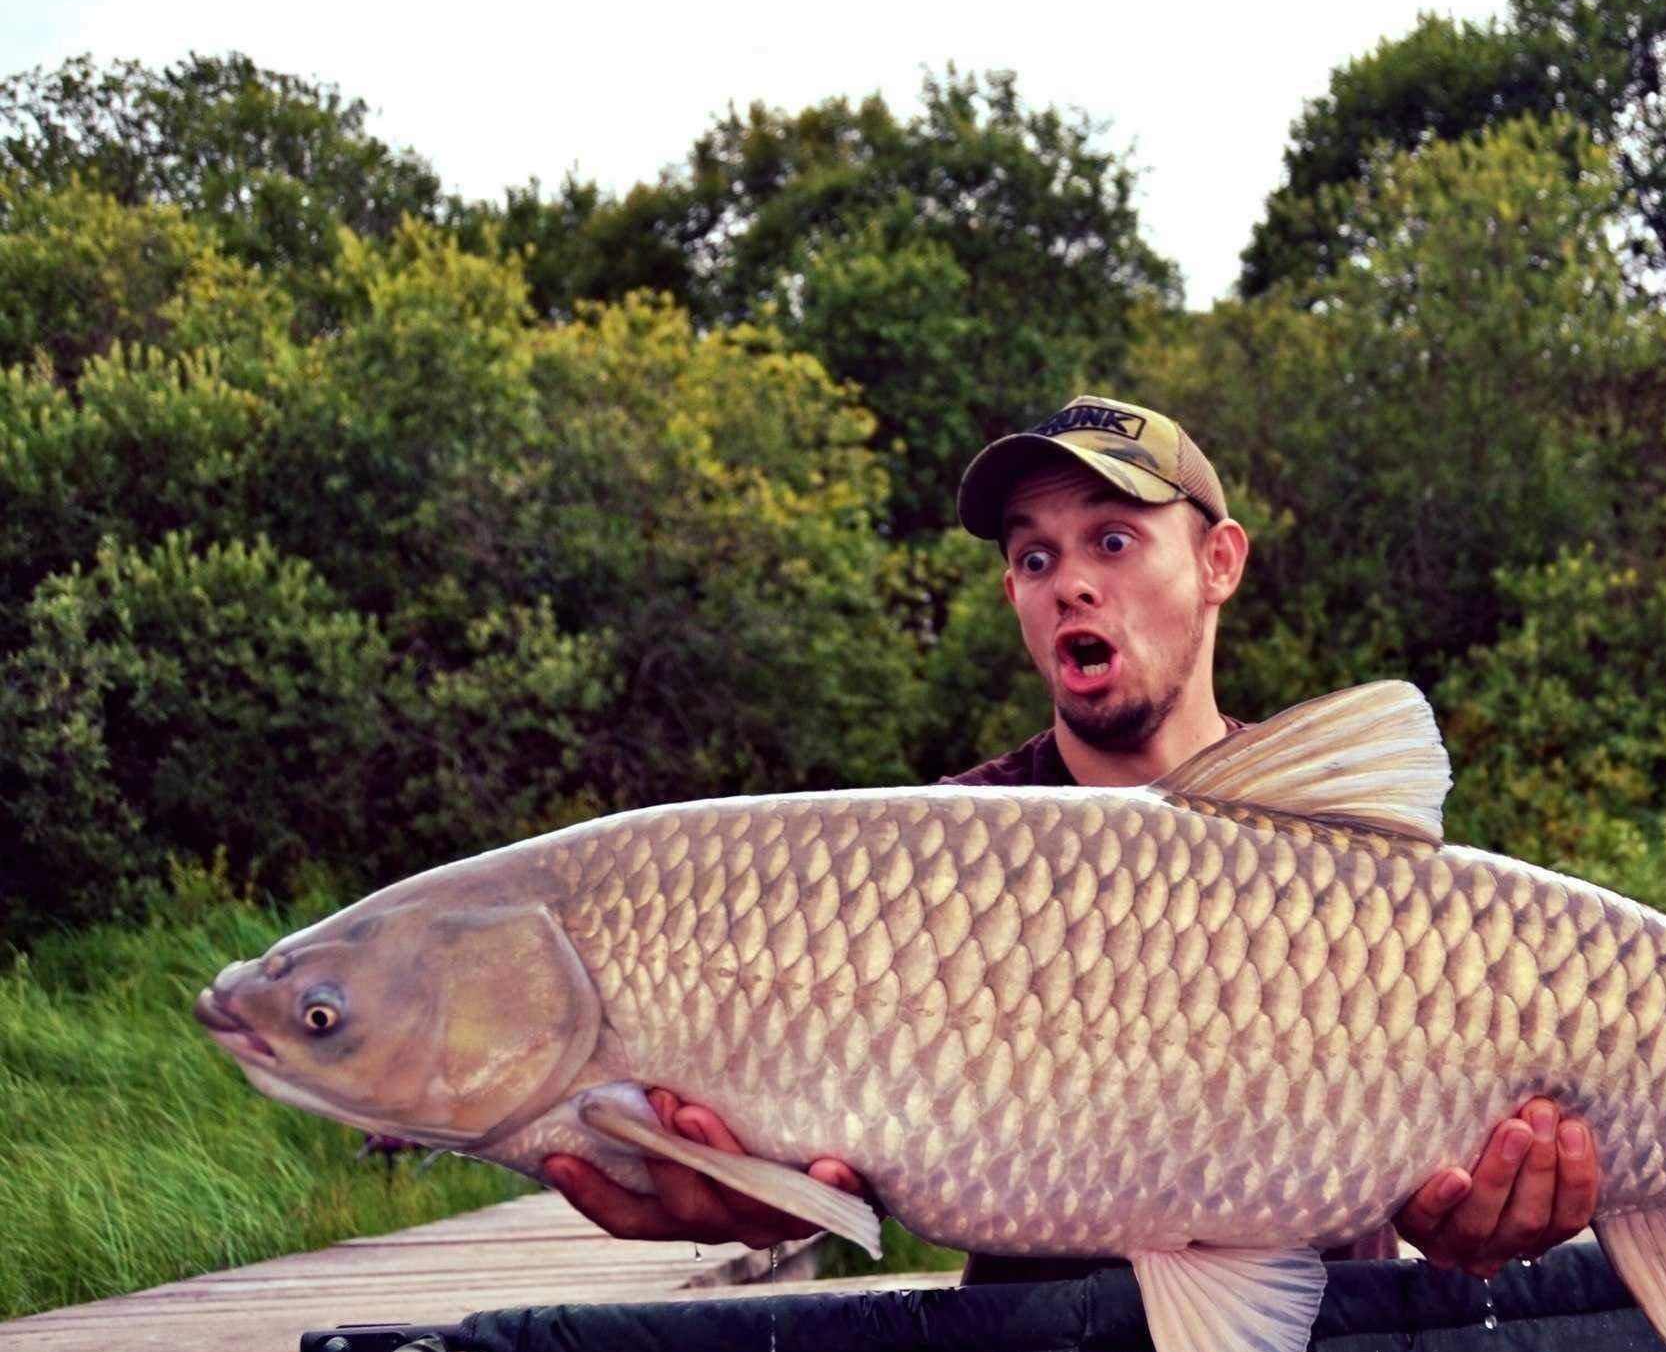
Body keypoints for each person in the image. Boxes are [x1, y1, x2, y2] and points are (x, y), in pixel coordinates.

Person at [546, 395, 1602, 1280]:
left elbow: (1458, 1186)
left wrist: (1477, 1209)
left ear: (1219, 561)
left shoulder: (1329, 836)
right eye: (1034, 556)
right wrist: (747, 1182)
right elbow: (812, 1151)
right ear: (1014, 593)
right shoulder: (928, 861)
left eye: (1112, 539)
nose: (1071, 583)